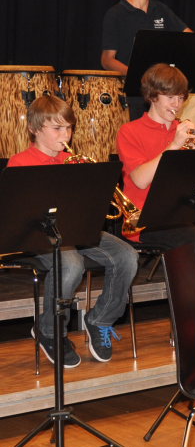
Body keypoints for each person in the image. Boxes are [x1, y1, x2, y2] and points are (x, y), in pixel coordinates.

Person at [8, 95, 139, 365]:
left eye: (68, 128)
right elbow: (20, 214)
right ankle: (50, 331)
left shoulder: (74, 161)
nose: (65, 134)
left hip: (78, 229)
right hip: (40, 235)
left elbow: (90, 207)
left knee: (127, 255)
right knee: (71, 263)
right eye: (57, 128)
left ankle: (101, 319)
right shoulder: (20, 164)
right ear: (34, 129)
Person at [116, 63, 195, 249]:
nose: (176, 104)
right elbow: (140, 180)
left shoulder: (183, 130)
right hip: (145, 221)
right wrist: (174, 145)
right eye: (170, 97)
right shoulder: (130, 131)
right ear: (152, 96)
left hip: (184, 214)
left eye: (180, 98)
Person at [99, 0, 192, 76]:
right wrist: (136, 75)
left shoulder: (161, 9)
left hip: (160, 84)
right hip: (130, 84)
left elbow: (190, 36)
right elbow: (107, 60)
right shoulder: (116, 14)